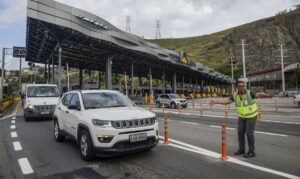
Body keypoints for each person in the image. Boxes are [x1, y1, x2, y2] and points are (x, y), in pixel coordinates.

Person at [210, 80, 266, 158]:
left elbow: (257, 95)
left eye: (243, 86)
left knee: (249, 133)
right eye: (240, 86)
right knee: (240, 132)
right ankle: (241, 149)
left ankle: (251, 151)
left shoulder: (249, 93)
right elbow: (226, 102)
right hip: (242, 116)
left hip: (251, 116)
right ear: (237, 87)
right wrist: (216, 101)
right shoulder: (235, 95)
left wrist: (262, 94)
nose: (242, 87)